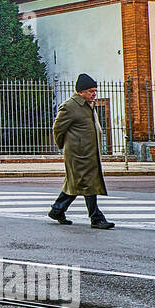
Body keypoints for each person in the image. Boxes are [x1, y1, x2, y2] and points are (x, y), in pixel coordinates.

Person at [48, 74, 114, 229]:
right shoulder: (70, 106)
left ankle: (57, 210)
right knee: (87, 183)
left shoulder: (87, 104)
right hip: (78, 154)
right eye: (91, 91)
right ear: (81, 91)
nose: (94, 94)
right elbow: (57, 129)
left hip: (89, 152)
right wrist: (63, 146)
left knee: (76, 184)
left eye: (95, 90)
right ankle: (96, 218)